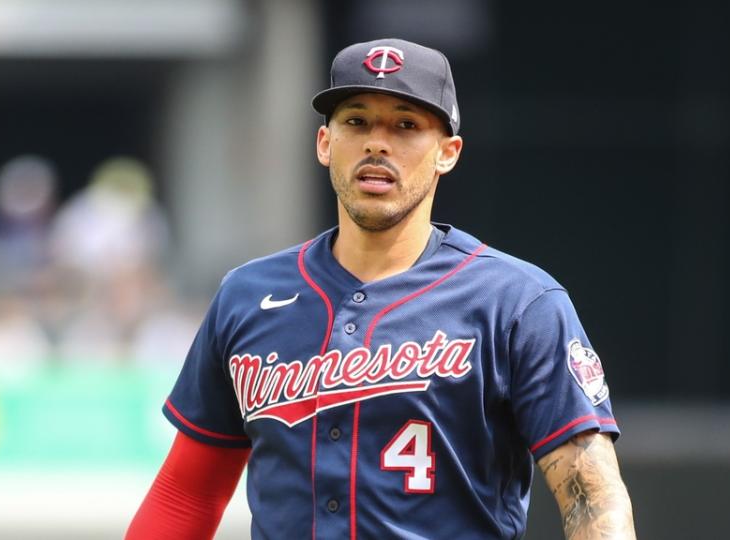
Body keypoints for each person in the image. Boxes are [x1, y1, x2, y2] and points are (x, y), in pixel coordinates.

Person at [127, 38, 636, 540]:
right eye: (356, 121)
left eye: (406, 125)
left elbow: (593, 499)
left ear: (447, 153)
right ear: (325, 143)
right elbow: (187, 494)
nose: (377, 142)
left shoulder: (518, 303)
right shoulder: (248, 295)